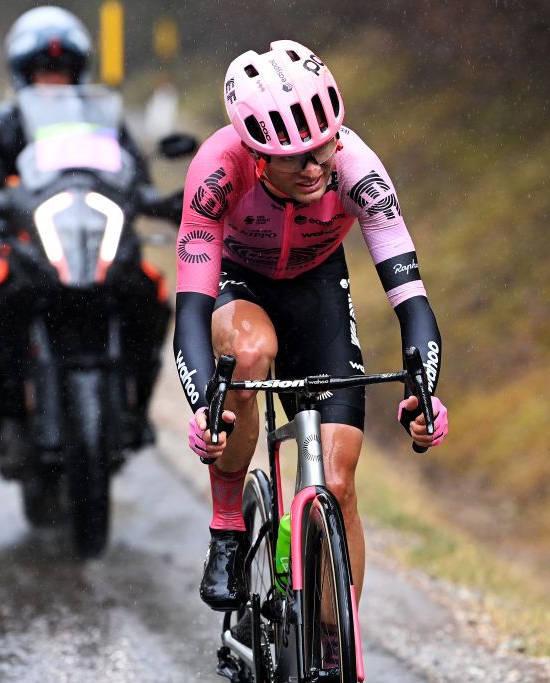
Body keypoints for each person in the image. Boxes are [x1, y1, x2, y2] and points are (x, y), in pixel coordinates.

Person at [173, 40, 450, 613]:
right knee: (249, 354)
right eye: (295, 157)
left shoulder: (356, 170)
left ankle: (333, 643)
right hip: (237, 280)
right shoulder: (217, 174)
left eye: (322, 147)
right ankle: (227, 526)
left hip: (318, 283)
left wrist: (423, 392)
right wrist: (205, 405)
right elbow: (191, 315)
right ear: (256, 154)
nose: (315, 167)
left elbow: (412, 302)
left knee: (339, 481)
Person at [0, 6, 172, 452]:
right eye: (43, 70)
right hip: (27, 251)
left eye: (61, 70)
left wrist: (159, 201)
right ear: (24, 75)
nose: (53, 80)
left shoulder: (106, 124)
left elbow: (138, 181)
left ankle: (136, 409)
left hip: (98, 249)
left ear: (78, 72)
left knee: (151, 294)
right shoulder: (2, 124)